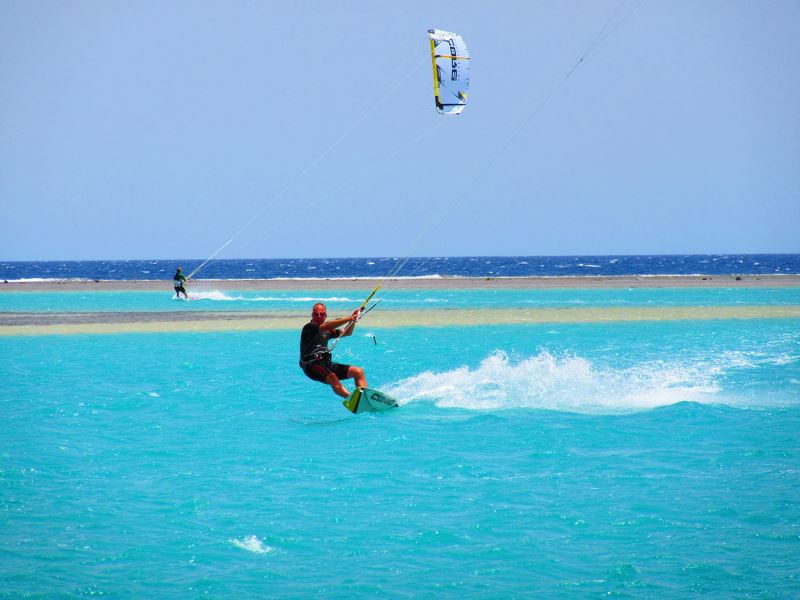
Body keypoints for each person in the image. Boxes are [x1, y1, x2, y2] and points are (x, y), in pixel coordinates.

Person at [299, 302, 367, 399]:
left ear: (326, 315)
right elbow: (327, 326)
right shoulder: (309, 327)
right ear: (312, 315)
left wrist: (353, 319)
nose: (319, 316)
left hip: (325, 363)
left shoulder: (328, 332)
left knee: (358, 372)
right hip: (311, 365)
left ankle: (363, 398)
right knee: (333, 378)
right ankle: (351, 399)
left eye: (322, 314)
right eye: (316, 314)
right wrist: (350, 318)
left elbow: (347, 332)